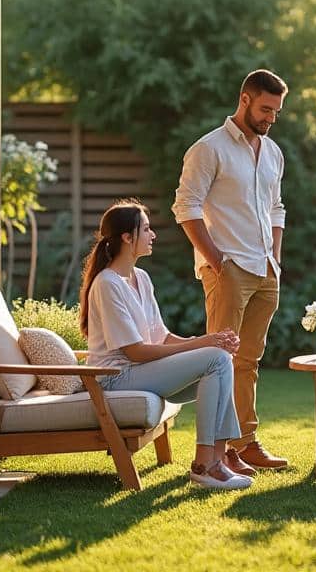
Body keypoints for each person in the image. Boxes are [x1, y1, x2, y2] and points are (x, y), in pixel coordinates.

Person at [79, 198, 250, 490]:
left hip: (140, 372)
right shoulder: (107, 284)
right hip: (115, 379)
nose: (153, 235)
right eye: (146, 229)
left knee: (219, 359)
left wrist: (210, 343)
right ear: (127, 237)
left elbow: (162, 336)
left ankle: (217, 461)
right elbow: (135, 351)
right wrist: (206, 343)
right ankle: (204, 466)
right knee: (216, 358)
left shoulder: (140, 278)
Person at [172, 69, 289, 474]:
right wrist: (217, 261)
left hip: (264, 268)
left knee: (249, 361)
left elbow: (276, 208)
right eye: (265, 109)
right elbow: (186, 208)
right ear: (244, 99)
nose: (271, 117)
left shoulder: (273, 153)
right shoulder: (209, 149)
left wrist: (275, 256)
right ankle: (218, 452)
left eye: (276, 111)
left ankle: (245, 443)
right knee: (221, 360)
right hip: (229, 269)